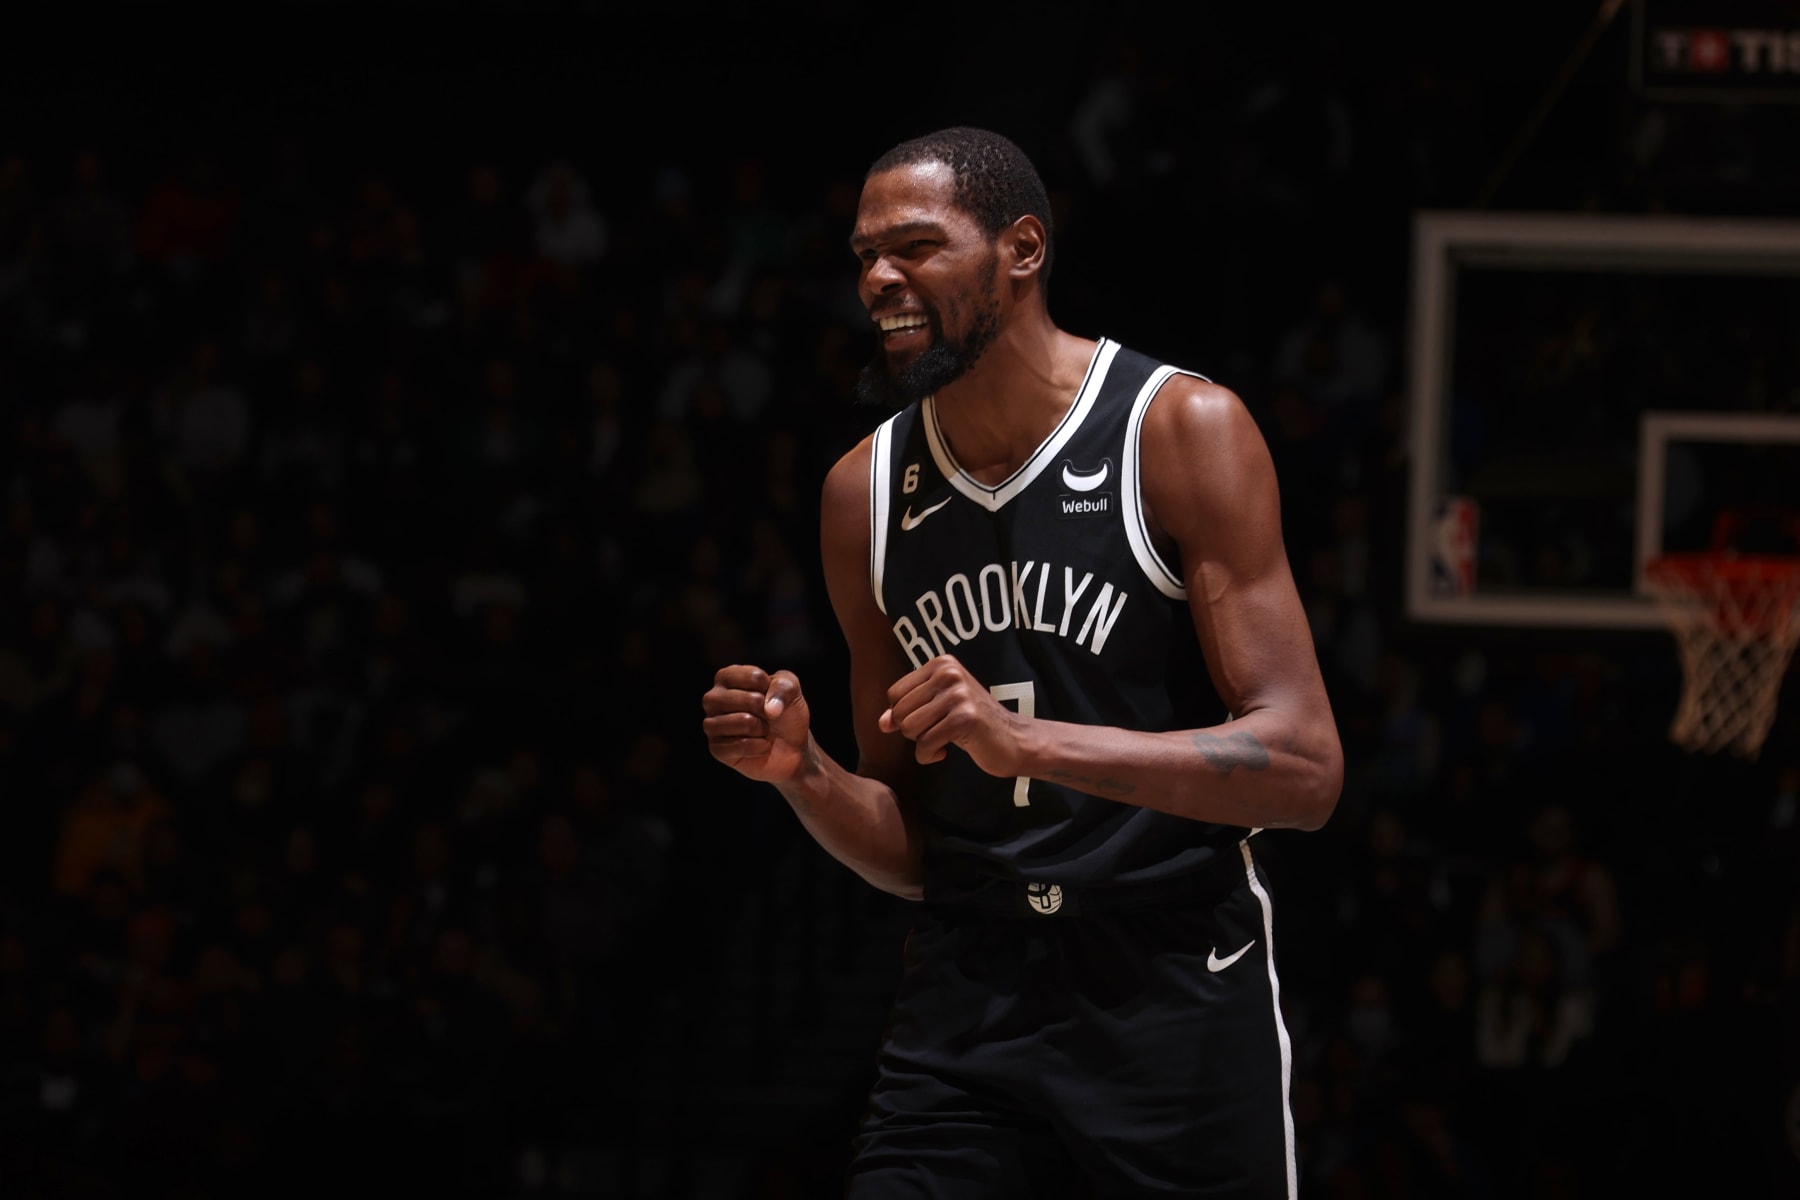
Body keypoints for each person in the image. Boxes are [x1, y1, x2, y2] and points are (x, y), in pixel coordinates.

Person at [702, 126, 1343, 1198]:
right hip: (968, 992)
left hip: (1170, 977)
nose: (878, 279)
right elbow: (914, 847)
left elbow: (1306, 771)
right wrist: (803, 773)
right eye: (865, 255)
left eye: (915, 246)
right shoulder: (862, 495)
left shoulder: (1178, 429)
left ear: (1023, 250)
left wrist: (1026, 744)